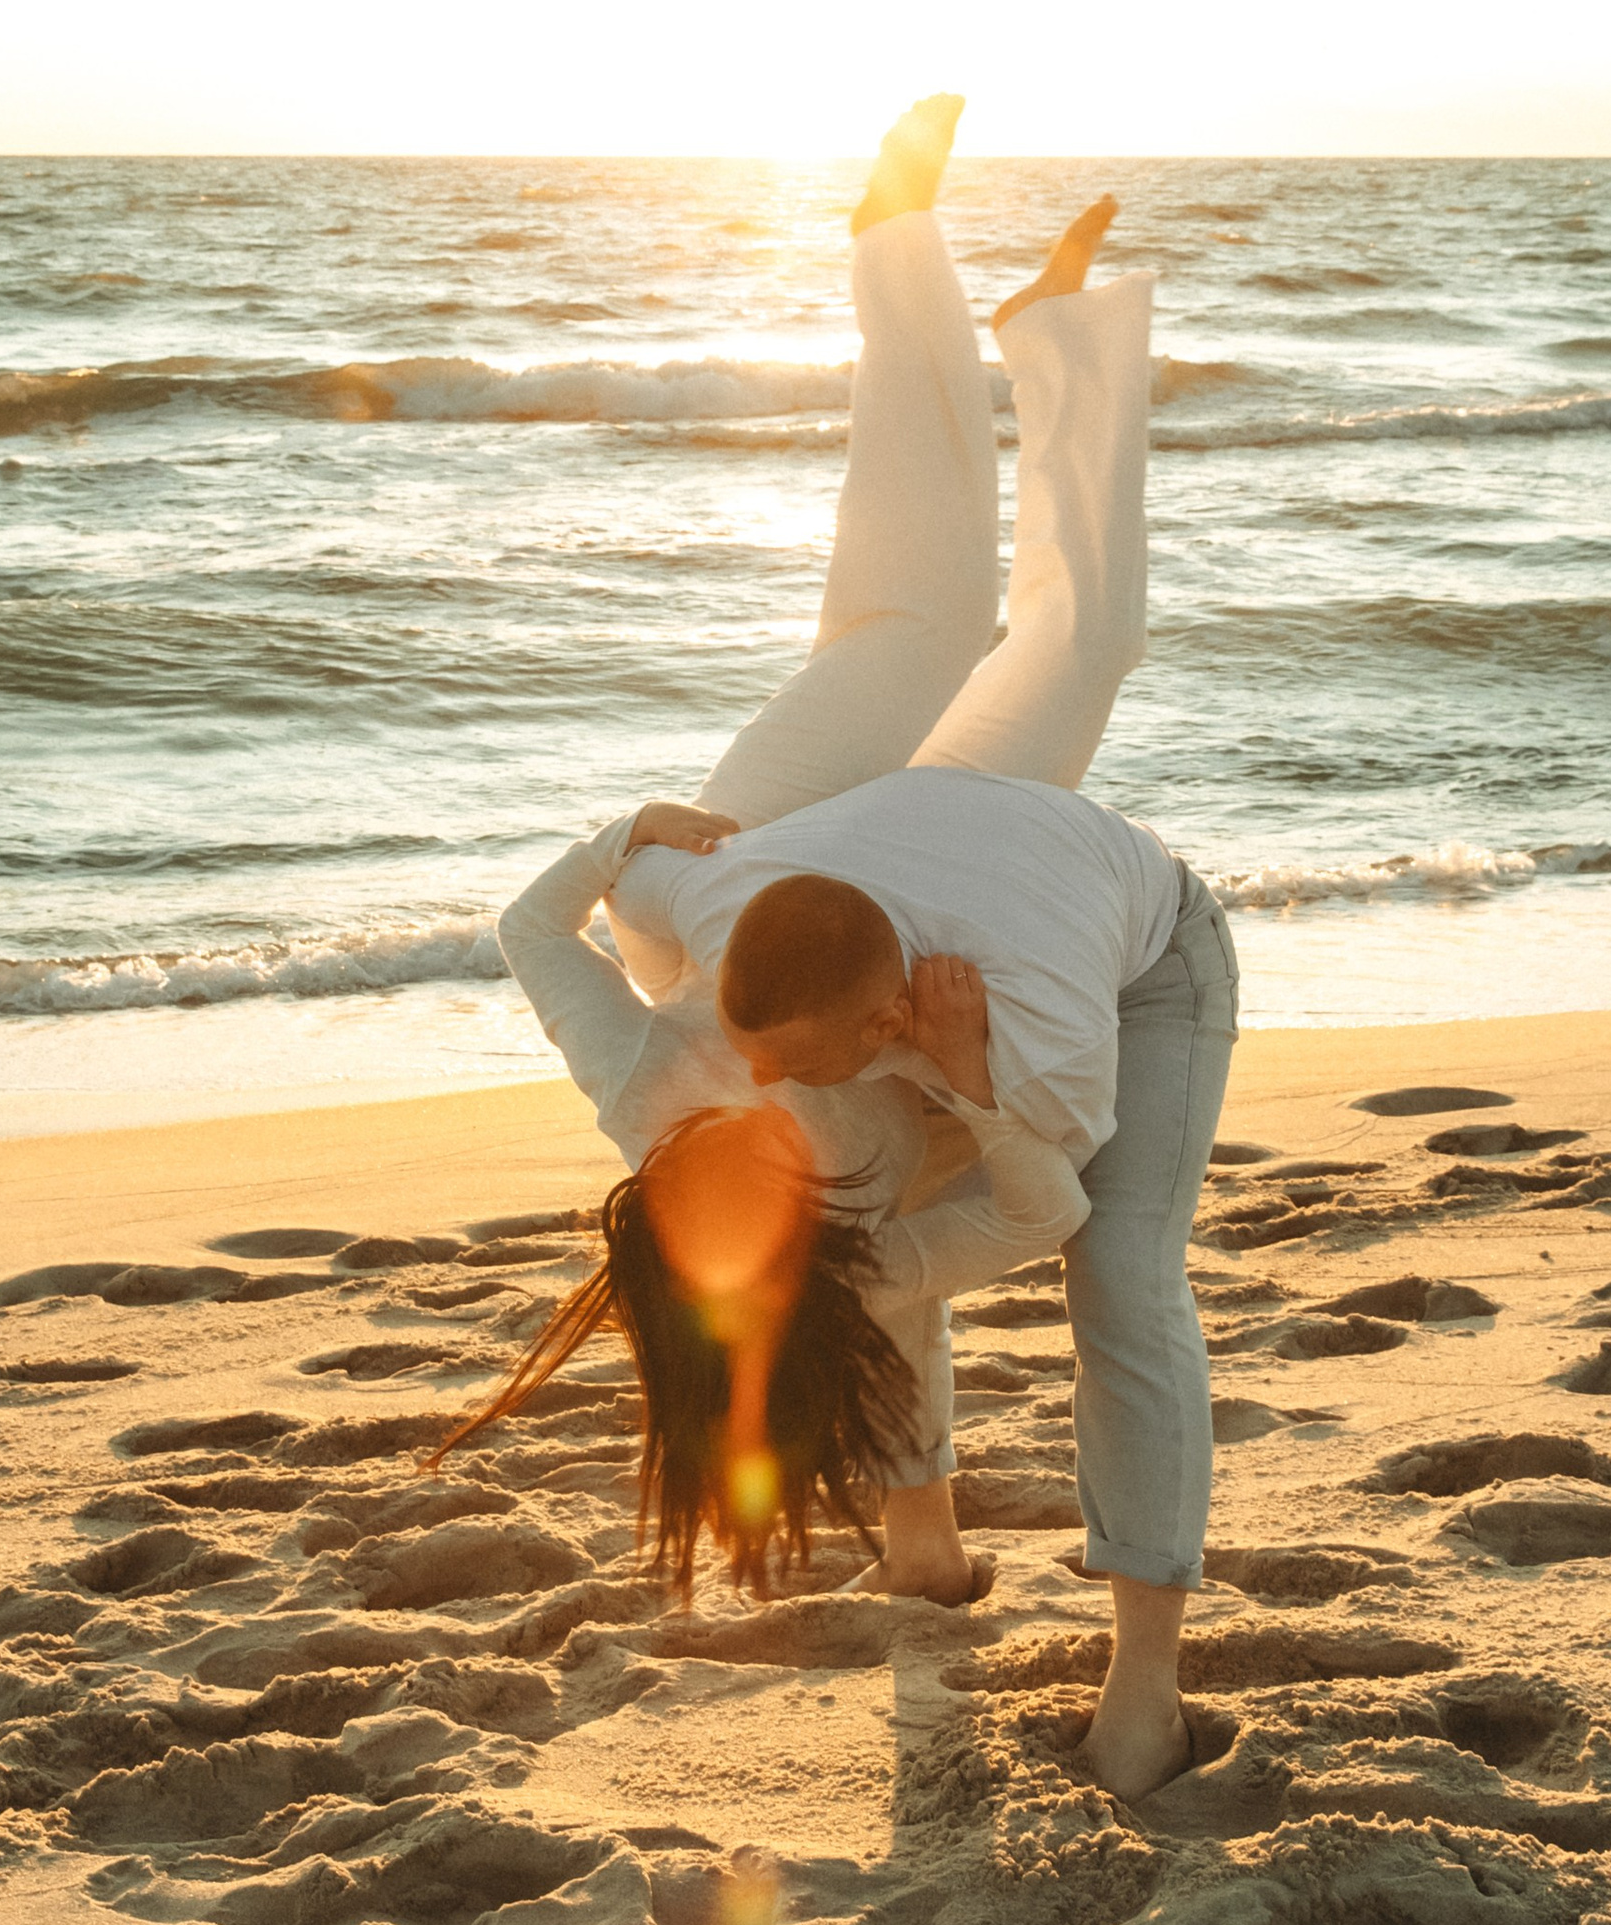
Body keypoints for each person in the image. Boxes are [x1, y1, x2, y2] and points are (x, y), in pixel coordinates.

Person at [475, 100, 1238, 1807]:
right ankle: (1057, 328)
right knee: (1078, 641)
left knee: (908, 620)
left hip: (750, 869)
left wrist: (621, 840)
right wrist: (975, 1084)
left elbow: (533, 930)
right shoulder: (851, 1215)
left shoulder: (643, 1092)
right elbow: (1004, 1216)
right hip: (902, 906)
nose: (746, 1138)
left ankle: (892, 239)